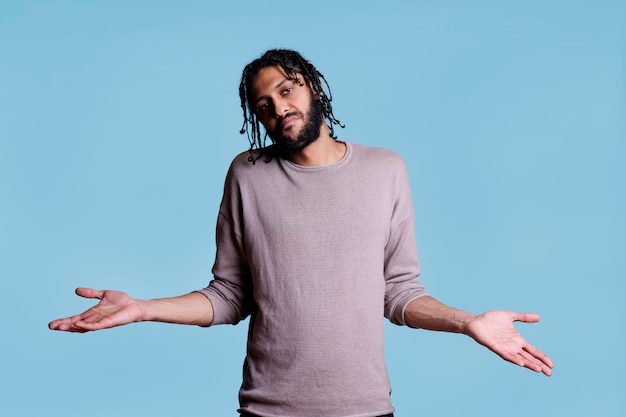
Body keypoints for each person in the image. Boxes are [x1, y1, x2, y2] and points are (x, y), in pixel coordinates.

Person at [49, 49, 554, 417]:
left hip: (365, 408)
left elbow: (399, 292)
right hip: (267, 410)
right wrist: (144, 308)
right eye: (263, 103)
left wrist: (468, 323)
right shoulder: (247, 173)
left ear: (313, 87)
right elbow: (229, 295)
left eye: (286, 89)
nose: (278, 107)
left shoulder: (385, 169)